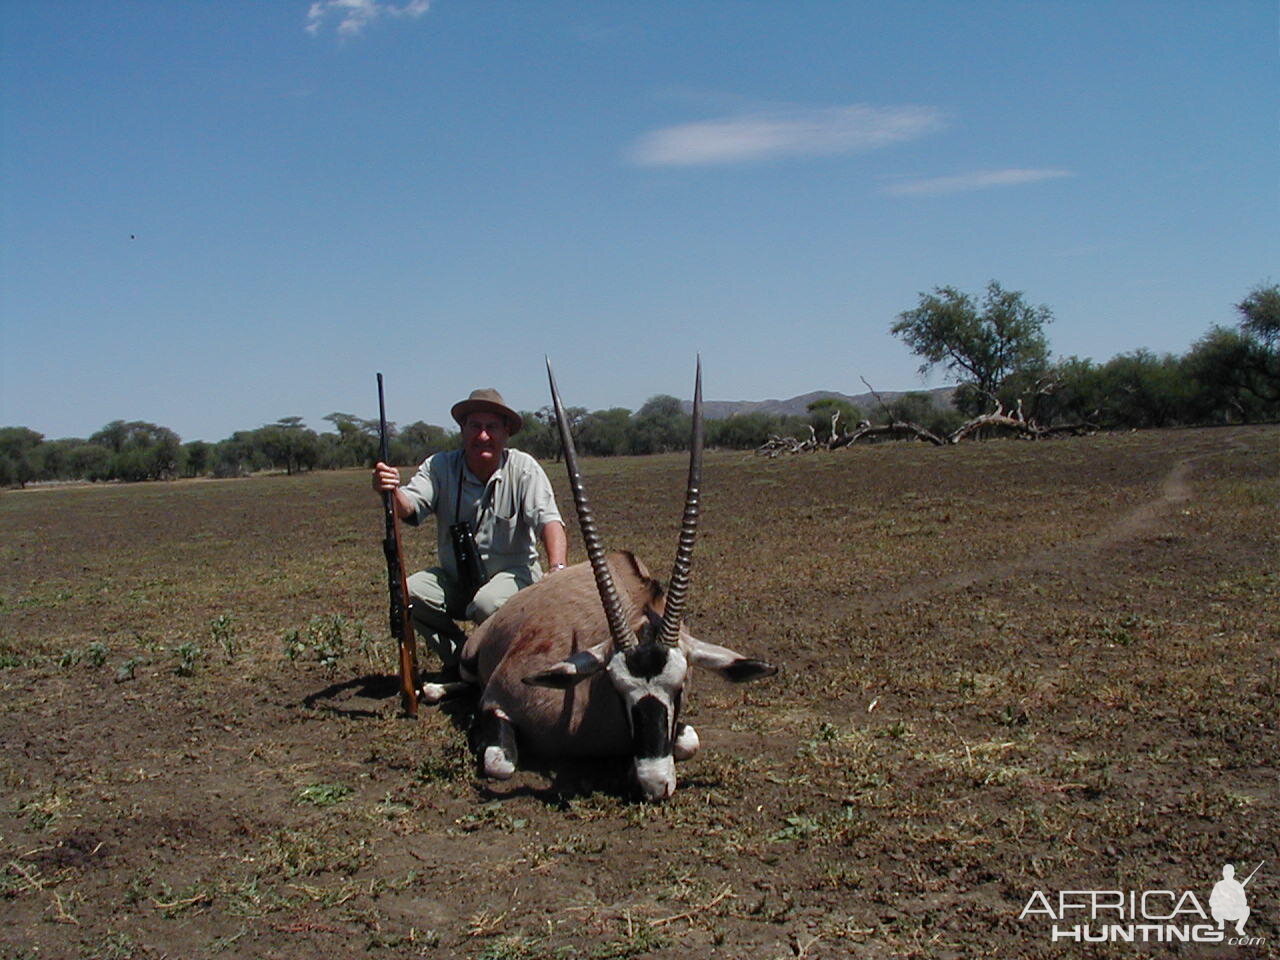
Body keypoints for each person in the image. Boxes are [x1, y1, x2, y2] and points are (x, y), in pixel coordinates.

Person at [372, 388, 567, 676]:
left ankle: (504, 667)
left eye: (492, 427)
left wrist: (557, 568)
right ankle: (463, 660)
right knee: (407, 592)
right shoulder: (439, 466)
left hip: (515, 579)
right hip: (459, 580)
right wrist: (389, 490)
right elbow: (409, 508)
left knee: (487, 603)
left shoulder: (523, 468)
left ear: (506, 433)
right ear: (463, 430)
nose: (483, 435)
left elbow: (549, 521)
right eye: (475, 426)